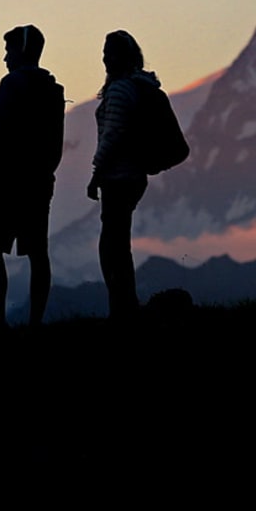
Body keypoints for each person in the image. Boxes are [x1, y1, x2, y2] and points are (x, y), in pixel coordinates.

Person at [0, 24, 65, 327]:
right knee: (38, 252)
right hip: (39, 182)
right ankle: (35, 321)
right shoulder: (53, 90)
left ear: (21, 50)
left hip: (4, 182)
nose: (5, 57)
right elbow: (56, 143)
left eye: (8, 50)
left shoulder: (11, 84)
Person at [86, 29, 157, 321]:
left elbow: (113, 133)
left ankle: (121, 306)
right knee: (119, 242)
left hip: (118, 175)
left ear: (120, 56)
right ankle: (125, 303)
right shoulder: (138, 86)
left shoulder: (119, 90)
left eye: (109, 52)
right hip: (133, 174)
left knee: (111, 245)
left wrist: (96, 172)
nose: (104, 58)